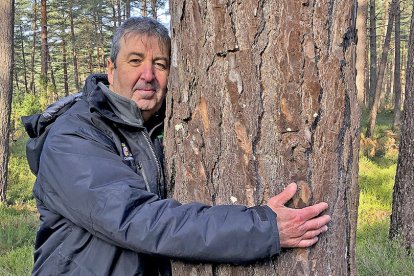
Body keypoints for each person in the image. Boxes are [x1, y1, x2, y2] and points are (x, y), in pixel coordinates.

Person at [23, 17, 330, 275]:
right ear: (111, 68)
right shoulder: (72, 137)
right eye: (135, 61)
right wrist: (263, 228)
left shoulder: (164, 128)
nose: (148, 76)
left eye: (160, 64)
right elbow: (137, 219)